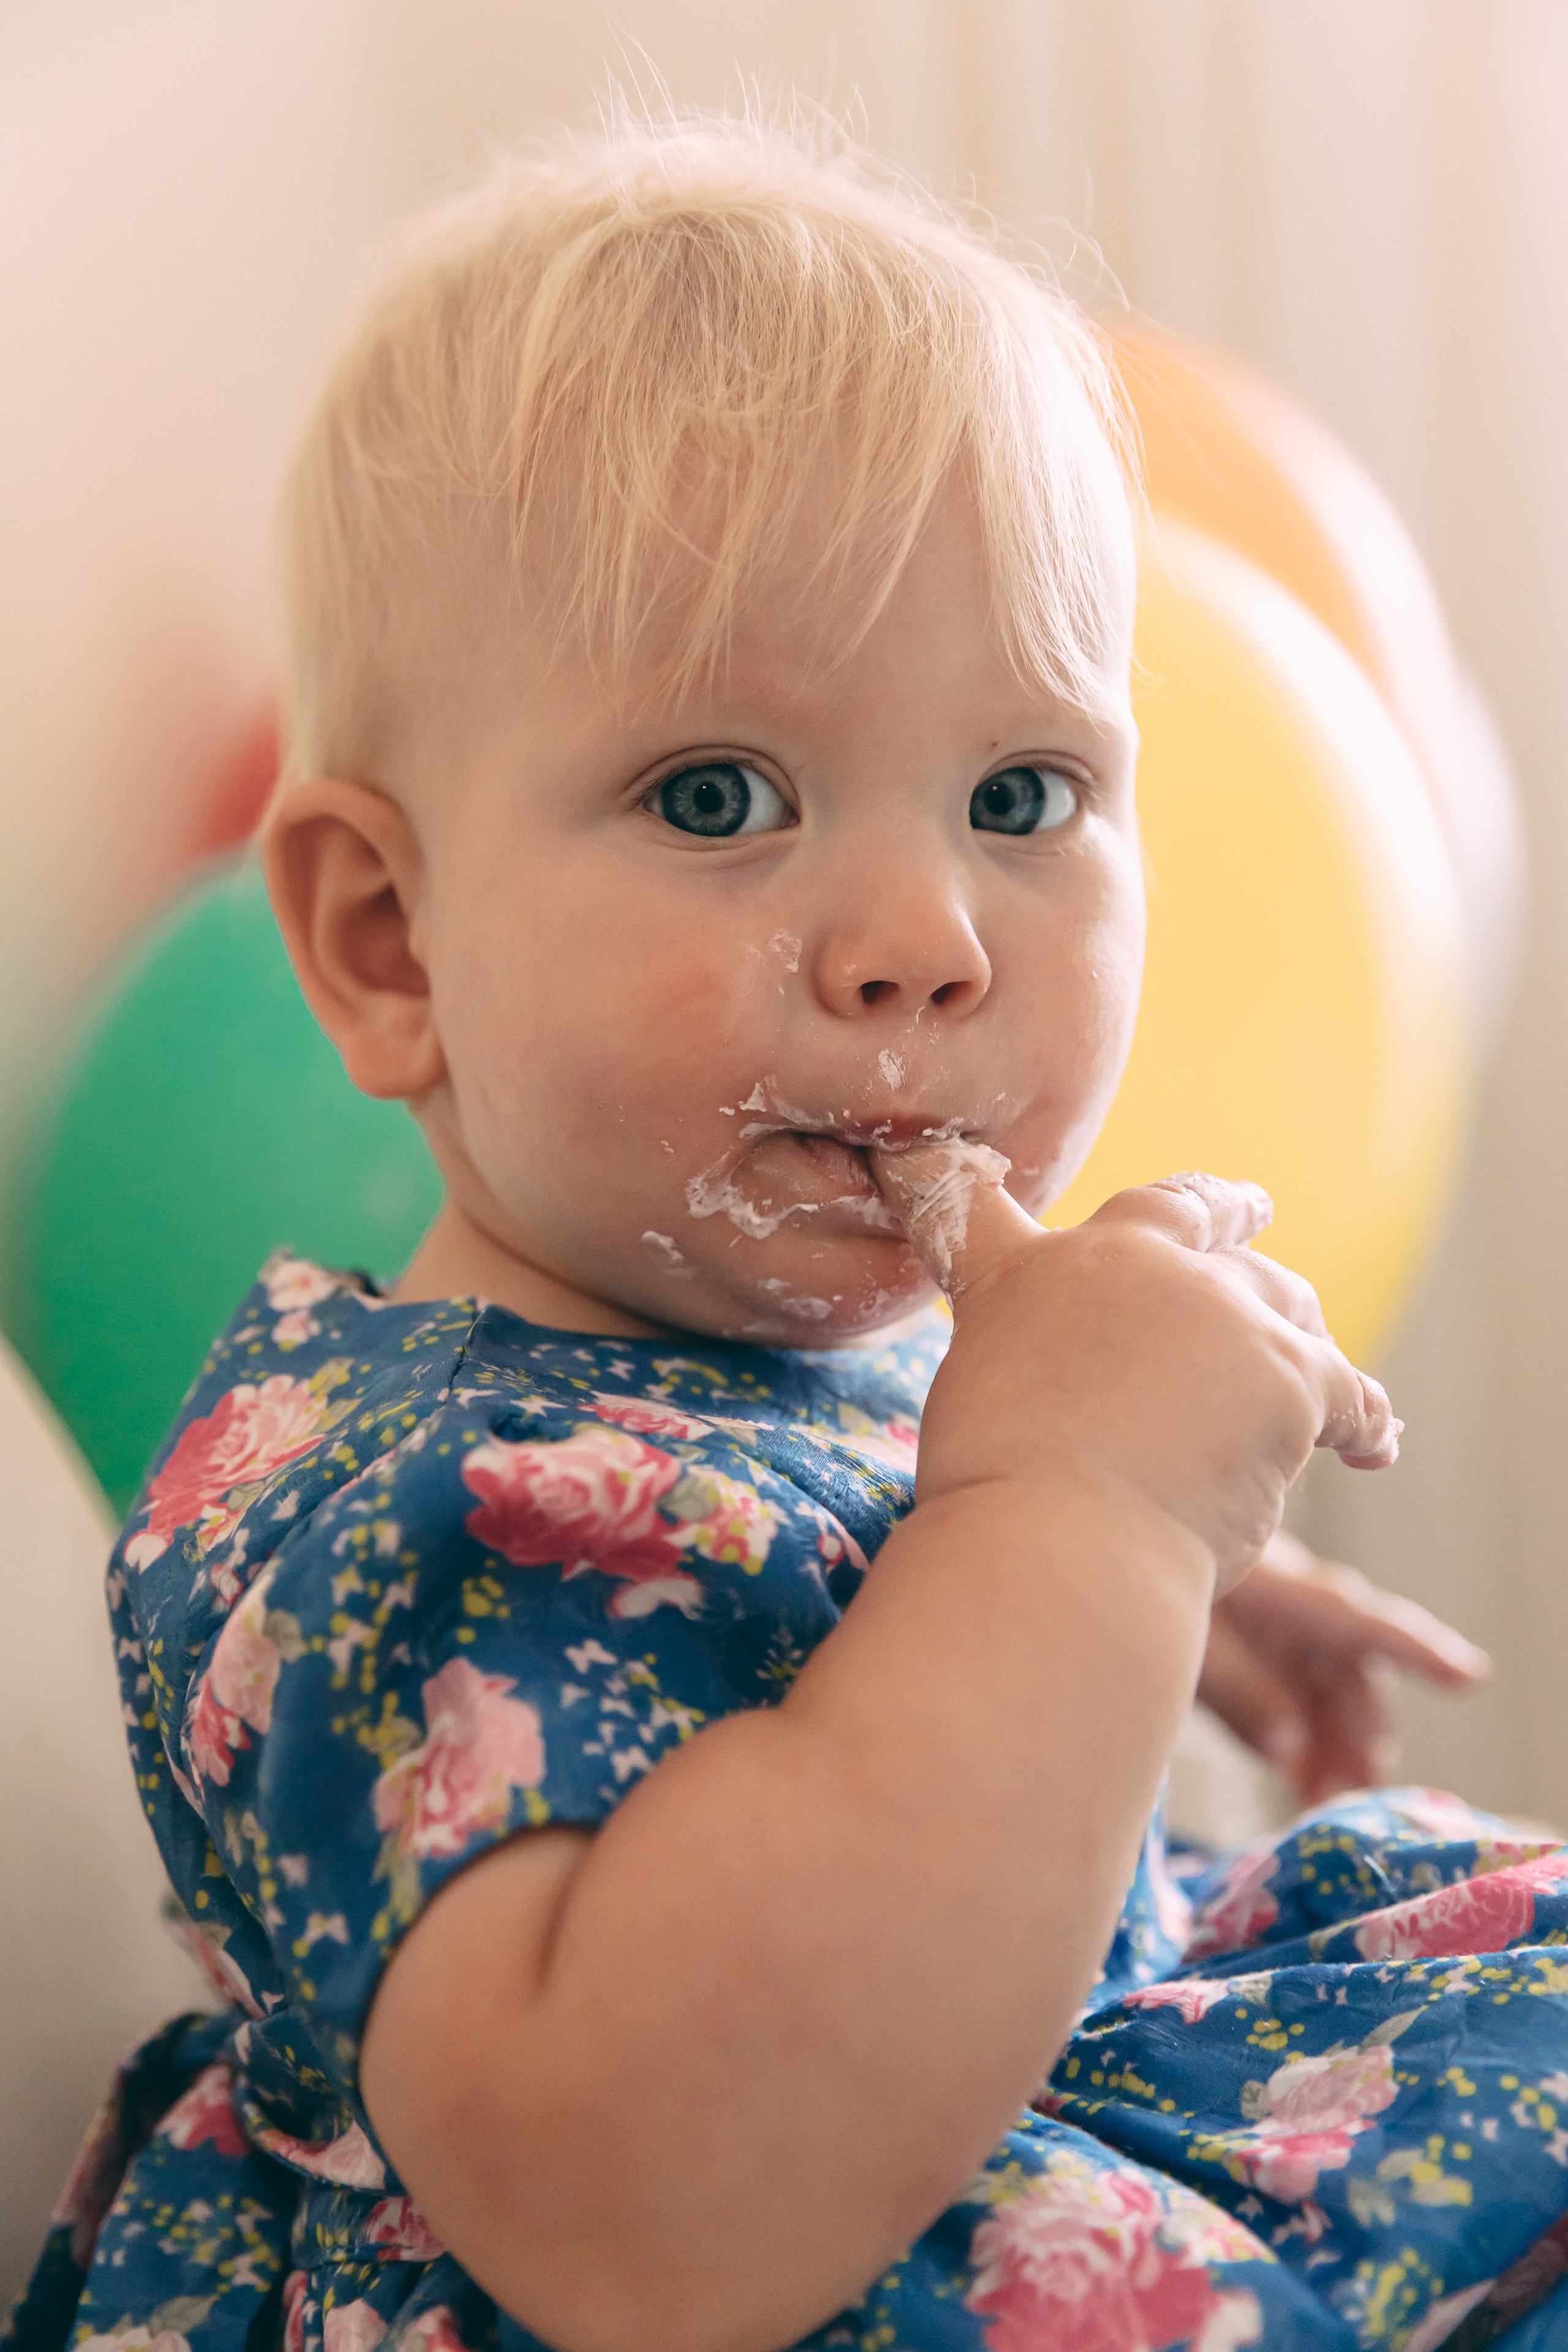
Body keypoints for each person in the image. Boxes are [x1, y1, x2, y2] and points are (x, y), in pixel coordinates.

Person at [12, 111, 1567, 2352]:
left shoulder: (749, 1340)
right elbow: (658, 2214)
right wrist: (1081, 1516)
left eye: (1023, 794)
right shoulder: (401, 1525)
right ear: (388, 942)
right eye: (719, 797)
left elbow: (827, 1616)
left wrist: (1151, 1595)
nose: (924, 937)